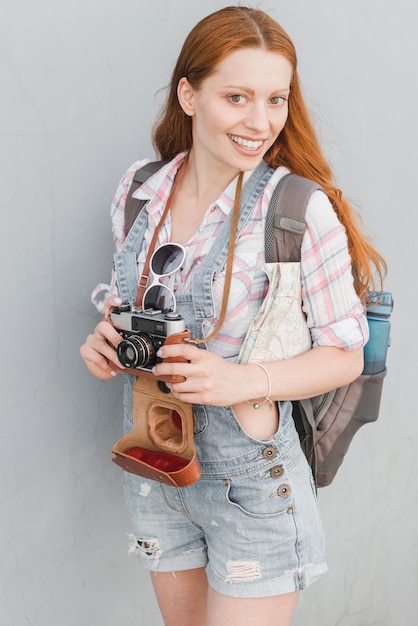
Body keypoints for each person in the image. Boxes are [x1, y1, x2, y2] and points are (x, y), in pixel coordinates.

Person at [80, 6, 385, 626]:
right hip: (157, 462)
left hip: (251, 484)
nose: (260, 122)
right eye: (237, 97)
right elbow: (129, 305)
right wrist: (107, 341)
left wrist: (242, 380)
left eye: (276, 100)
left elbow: (346, 353)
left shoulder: (298, 208)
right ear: (188, 96)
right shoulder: (139, 192)